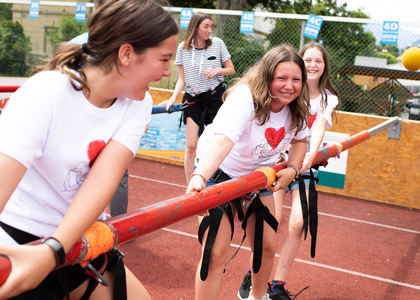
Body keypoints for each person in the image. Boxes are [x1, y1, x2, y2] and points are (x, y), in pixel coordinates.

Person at [0, 0, 178, 299]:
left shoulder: (138, 103)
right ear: (126, 54)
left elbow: (104, 179)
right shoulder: (47, 92)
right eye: (163, 59)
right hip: (16, 238)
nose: (167, 71)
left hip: (70, 237)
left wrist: (55, 248)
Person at [187, 44, 310, 300]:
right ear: (267, 77)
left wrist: (294, 168)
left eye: (296, 79)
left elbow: (300, 140)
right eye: (281, 78)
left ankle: (256, 297)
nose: (289, 85)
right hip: (219, 173)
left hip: (258, 177)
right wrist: (198, 177)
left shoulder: (297, 105)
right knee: (215, 252)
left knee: (266, 246)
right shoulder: (245, 99)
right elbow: (221, 143)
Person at [238, 42, 340, 300]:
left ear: (325, 66)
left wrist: (308, 155)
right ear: (299, 63)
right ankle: (254, 274)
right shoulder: (288, 89)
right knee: (268, 226)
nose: (313, 65)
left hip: (302, 163)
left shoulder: (328, 98)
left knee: (298, 222)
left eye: (319, 60)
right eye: (308, 60)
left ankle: (277, 285)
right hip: (276, 162)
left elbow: (318, 127)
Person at [68, 0, 154, 218]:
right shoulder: (53, 87)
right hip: (44, 223)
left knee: (113, 173)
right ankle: (117, 223)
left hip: (76, 222)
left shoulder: (139, 103)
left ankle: (117, 222)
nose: (165, 71)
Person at [160, 12, 235, 185]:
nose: (209, 30)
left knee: (219, 143)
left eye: (210, 26)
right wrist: (172, 98)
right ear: (196, 27)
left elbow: (230, 69)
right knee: (191, 145)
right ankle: (190, 187)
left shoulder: (217, 44)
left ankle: (219, 183)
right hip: (193, 99)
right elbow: (182, 78)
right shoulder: (182, 48)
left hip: (215, 98)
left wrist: (217, 70)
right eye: (206, 26)